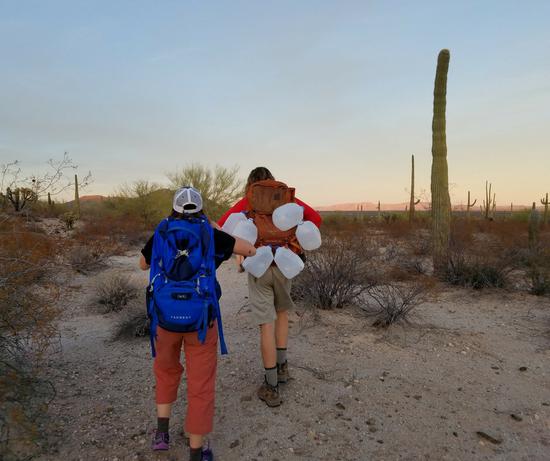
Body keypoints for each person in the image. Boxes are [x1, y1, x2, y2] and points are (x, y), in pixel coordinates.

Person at [140, 186, 256, 461]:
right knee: (200, 383)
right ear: (201, 208)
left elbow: (142, 264)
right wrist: (219, 230)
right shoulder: (210, 233)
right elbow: (249, 250)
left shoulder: (163, 230)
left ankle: (162, 435)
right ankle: (196, 451)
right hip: (201, 321)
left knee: (166, 371)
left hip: (165, 318)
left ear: (175, 207)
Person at [218, 167, 322, 407]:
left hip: (258, 265)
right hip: (285, 264)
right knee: (282, 314)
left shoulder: (249, 200)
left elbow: (225, 227)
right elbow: (316, 218)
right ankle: (283, 368)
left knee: (266, 324)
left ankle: (271, 385)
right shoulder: (286, 199)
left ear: (251, 184)